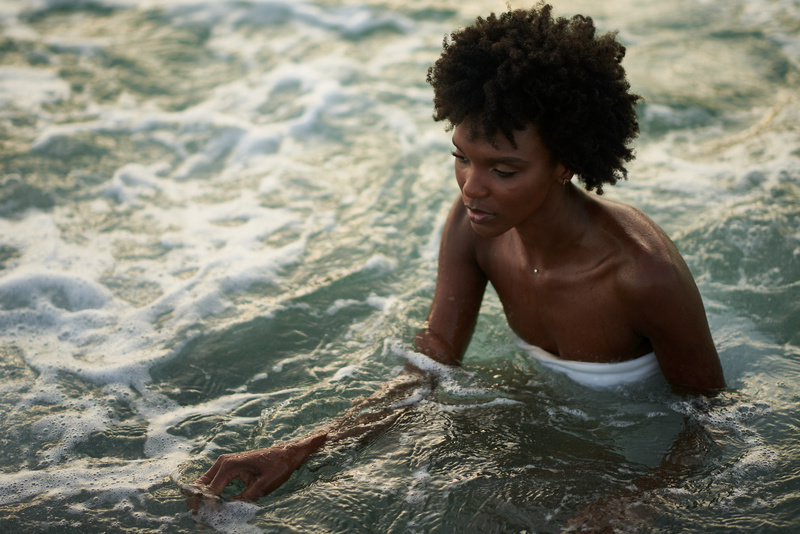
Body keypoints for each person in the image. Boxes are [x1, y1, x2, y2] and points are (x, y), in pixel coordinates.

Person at [189, 2, 725, 510]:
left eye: (504, 170)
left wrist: (641, 502)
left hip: (638, 436)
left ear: (565, 164)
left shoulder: (641, 274)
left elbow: (713, 423)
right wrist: (303, 448)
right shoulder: (475, 230)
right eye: (461, 158)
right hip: (543, 406)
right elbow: (433, 362)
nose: (472, 187)